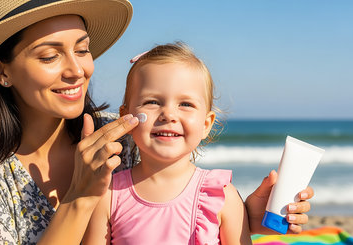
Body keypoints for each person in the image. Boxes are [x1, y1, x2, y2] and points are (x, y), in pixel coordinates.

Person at [0, 0, 313, 244]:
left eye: (82, 49)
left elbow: (174, 211)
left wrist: (243, 216)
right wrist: (81, 196)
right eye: (50, 55)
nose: (77, 70)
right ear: (2, 71)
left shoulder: (126, 132)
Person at [83, 42, 252, 244]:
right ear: (126, 117)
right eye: (152, 102)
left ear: (206, 124)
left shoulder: (222, 198)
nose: (169, 115)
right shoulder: (108, 196)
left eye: (186, 104)